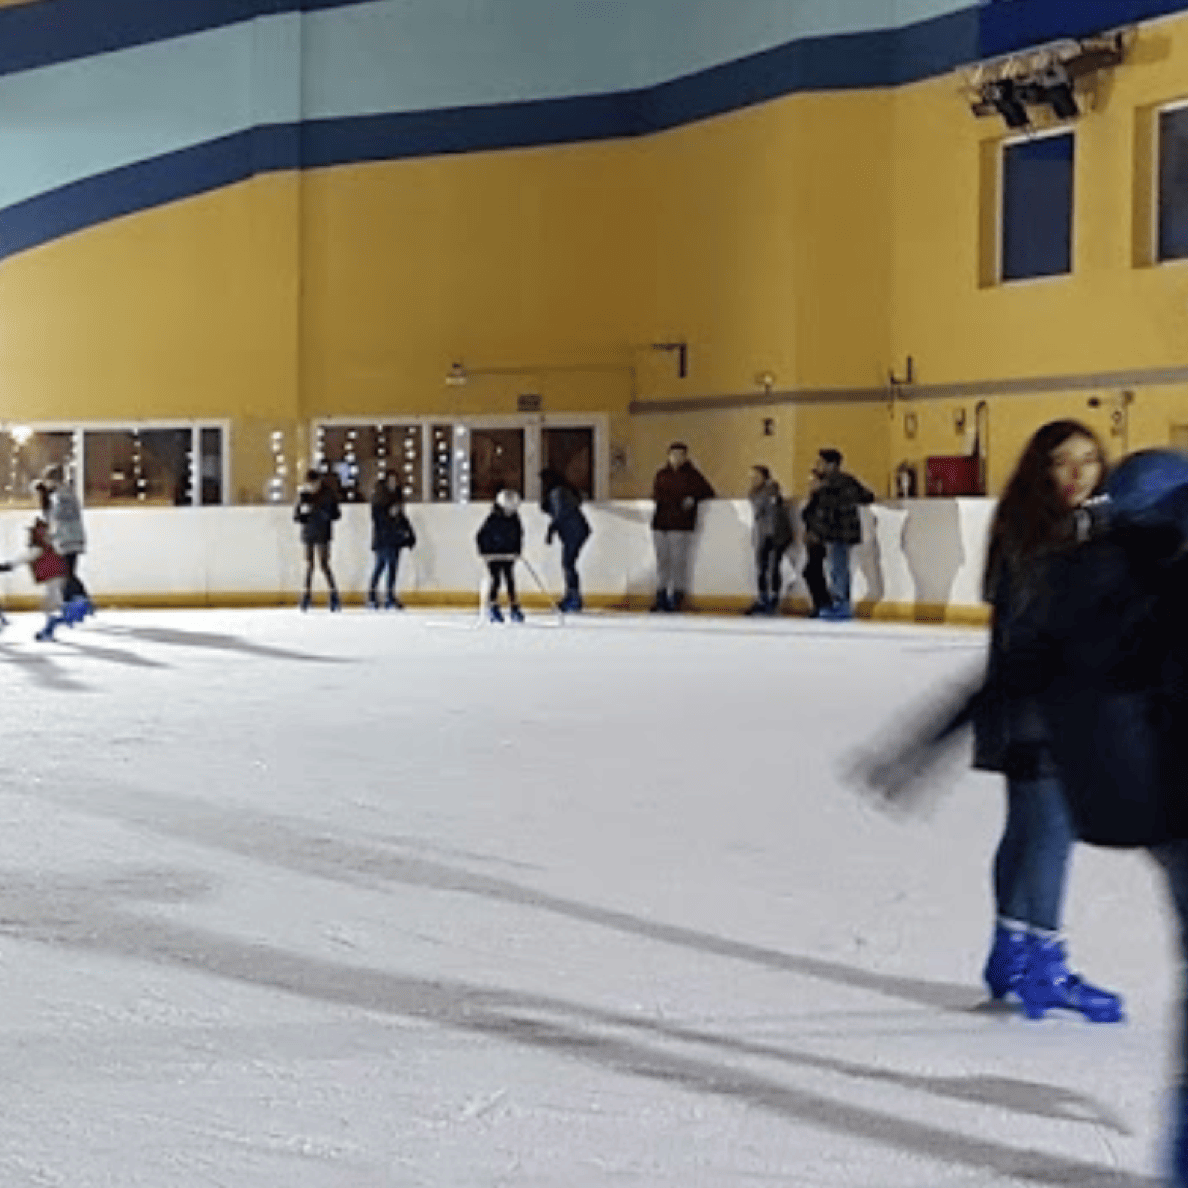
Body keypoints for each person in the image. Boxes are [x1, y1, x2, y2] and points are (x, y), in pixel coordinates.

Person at [971, 420, 1123, 1022]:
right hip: (1044, 712)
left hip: (1019, 706)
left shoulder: (1032, 527)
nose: (1079, 473)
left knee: (1025, 831)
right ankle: (1045, 965)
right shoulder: (1046, 536)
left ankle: (1008, 954)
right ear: (1041, 468)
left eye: (1090, 460)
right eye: (1064, 462)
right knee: (1051, 836)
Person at [800, 448, 874, 621]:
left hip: (837, 532)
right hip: (839, 532)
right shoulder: (845, 482)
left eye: (821, 463)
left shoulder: (831, 484)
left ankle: (842, 605)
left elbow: (822, 511)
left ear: (831, 464)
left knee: (838, 569)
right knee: (836, 568)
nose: (818, 466)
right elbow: (867, 496)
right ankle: (839, 603)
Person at [0, 483, 70, 641]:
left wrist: (12, 564)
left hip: (53, 566)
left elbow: (36, 551)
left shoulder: (45, 522)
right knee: (52, 601)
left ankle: (52, 628)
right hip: (54, 565)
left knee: (52, 602)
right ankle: (51, 628)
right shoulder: (46, 516)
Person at [650, 442, 715, 612]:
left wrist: (692, 498)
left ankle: (677, 597)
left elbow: (708, 492)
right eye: (673, 454)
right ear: (668, 456)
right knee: (662, 562)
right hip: (661, 523)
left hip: (680, 524)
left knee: (678, 563)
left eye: (680, 454)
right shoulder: (662, 474)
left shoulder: (693, 476)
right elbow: (656, 494)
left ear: (686, 456)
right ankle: (661, 596)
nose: (677, 458)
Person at [39, 463, 92, 624]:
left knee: (65, 574)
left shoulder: (63, 496)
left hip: (69, 540)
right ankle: (79, 602)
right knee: (66, 574)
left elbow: (60, 519)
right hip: (69, 540)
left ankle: (79, 602)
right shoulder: (62, 494)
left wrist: (52, 535)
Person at [540, 467, 591, 613]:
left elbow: (561, 513)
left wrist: (551, 530)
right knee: (568, 564)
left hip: (574, 532)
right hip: (576, 531)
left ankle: (574, 597)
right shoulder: (562, 491)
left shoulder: (557, 492)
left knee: (568, 564)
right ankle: (572, 595)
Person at [745, 465, 794, 615]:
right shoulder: (754, 493)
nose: (753, 480)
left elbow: (774, 515)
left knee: (772, 568)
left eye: (756, 476)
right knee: (761, 569)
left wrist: (775, 537)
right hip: (762, 535)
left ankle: (772, 599)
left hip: (774, 536)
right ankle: (763, 598)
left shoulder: (771, 491)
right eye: (751, 477)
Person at [294, 468, 341, 612]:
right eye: (310, 483)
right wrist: (303, 515)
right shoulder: (304, 495)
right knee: (309, 565)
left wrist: (326, 514)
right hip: (309, 533)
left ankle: (334, 594)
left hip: (323, 533)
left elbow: (336, 514)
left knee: (324, 564)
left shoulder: (328, 494)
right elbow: (296, 516)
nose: (312, 486)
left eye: (314, 483)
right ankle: (306, 595)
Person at [368, 474, 416, 610]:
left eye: (395, 480)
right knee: (381, 566)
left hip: (395, 539)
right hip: (383, 539)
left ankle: (388, 595)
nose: (394, 483)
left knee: (391, 567)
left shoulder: (397, 497)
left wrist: (410, 534)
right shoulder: (379, 498)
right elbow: (377, 519)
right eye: (391, 481)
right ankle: (374, 595)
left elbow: (402, 518)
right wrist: (389, 514)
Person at [477, 489, 524, 623]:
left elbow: (519, 535)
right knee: (495, 579)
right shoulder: (493, 519)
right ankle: (492, 606)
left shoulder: (515, 519)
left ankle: (514, 607)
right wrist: (485, 552)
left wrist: (517, 551)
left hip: (508, 555)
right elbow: (481, 536)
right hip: (494, 556)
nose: (510, 512)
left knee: (510, 580)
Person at [800, 472, 833, 618]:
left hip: (818, 539)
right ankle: (820, 604)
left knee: (812, 572)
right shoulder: (814, 498)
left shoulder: (823, 498)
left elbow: (822, 519)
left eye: (813, 481)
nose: (811, 484)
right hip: (812, 539)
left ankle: (823, 603)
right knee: (813, 572)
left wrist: (817, 533)